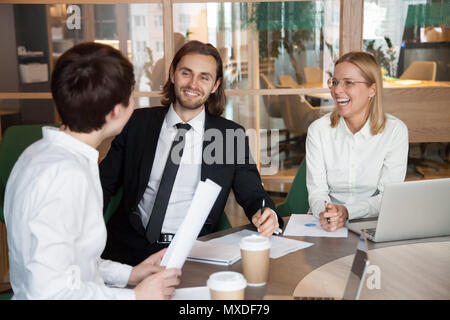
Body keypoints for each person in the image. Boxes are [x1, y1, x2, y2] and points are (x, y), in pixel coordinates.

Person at [4, 42, 181, 299]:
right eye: (131, 97)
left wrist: (130, 275)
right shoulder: (66, 177)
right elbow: (50, 292)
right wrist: (136, 296)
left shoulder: (38, 153)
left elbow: (74, 262)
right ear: (115, 112)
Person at [100, 40, 283, 266]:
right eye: (186, 73)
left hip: (195, 251)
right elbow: (102, 184)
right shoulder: (138, 123)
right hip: (129, 248)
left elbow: (253, 193)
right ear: (173, 74)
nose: (193, 84)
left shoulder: (229, 135)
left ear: (215, 85)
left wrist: (266, 213)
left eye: (204, 77)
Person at [305, 51, 409, 232]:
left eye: (348, 83)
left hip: (373, 221)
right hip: (326, 222)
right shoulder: (318, 130)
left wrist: (347, 211)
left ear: (372, 90)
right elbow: (317, 192)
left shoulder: (395, 131)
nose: (336, 90)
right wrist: (328, 213)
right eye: (335, 82)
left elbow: (388, 197)